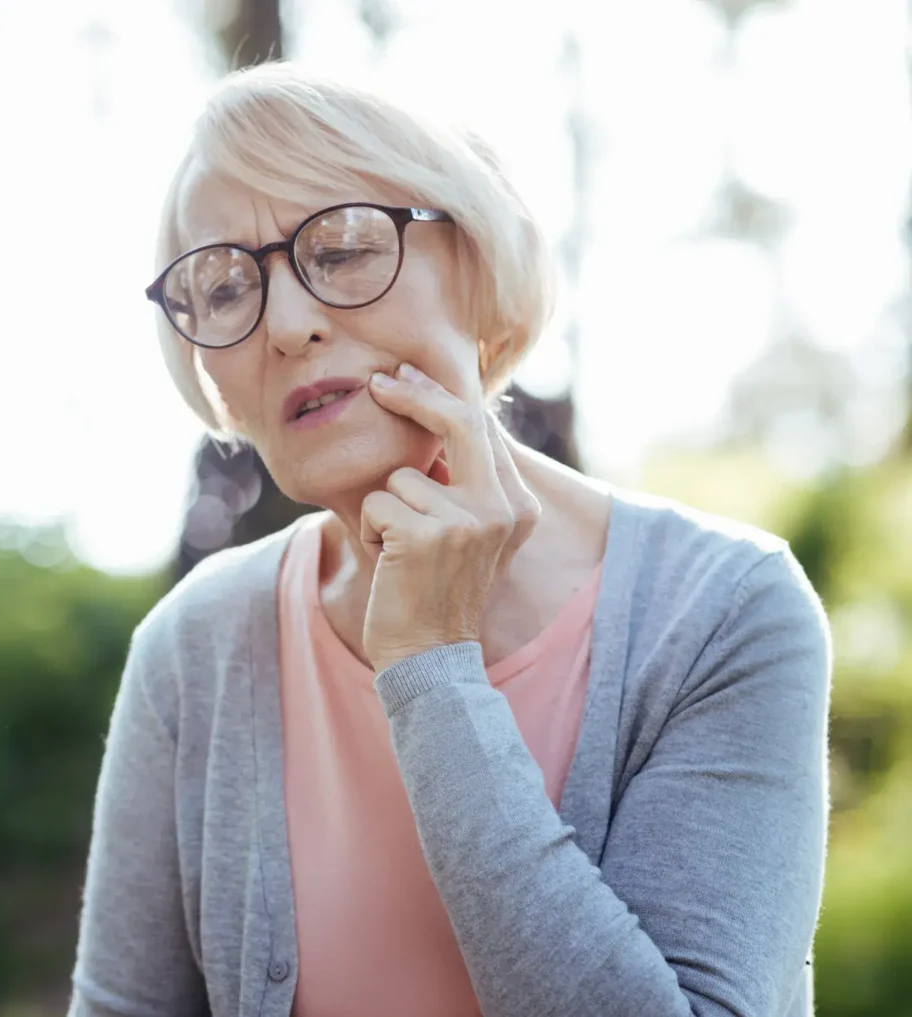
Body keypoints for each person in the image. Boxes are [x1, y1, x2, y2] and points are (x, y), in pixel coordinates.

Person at [68, 61, 831, 1017]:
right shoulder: (193, 647)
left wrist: (431, 666)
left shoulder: (724, 610)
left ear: (475, 266)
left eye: (343, 248)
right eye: (224, 289)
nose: (288, 325)